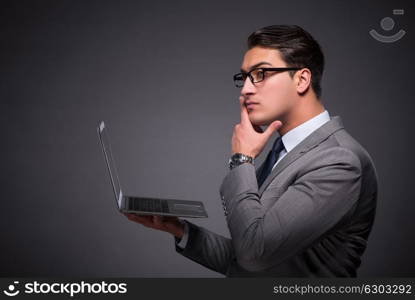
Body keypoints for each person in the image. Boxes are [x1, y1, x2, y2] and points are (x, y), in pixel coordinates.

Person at [124, 25, 378, 277]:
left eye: (261, 74)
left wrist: (242, 159)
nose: (245, 90)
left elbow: (254, 253)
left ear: (301, 80)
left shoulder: (340, 161)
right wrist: (180, 230)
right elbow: (248, 263)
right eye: (244, 77)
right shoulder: (283, 151)